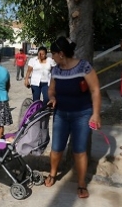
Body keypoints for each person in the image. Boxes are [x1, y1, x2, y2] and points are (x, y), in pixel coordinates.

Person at [45, 36, 101, 199]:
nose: (52, 57)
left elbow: (95, 90)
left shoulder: (84, 67)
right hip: (61, 114)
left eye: (53, 54)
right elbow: (51, 90)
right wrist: (52, 98)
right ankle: (53, 174)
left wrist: (96, 114)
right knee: (56, 149)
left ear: (61, 53)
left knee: (79, 151)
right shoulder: (55, 70)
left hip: (82, 115)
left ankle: (82, 183)